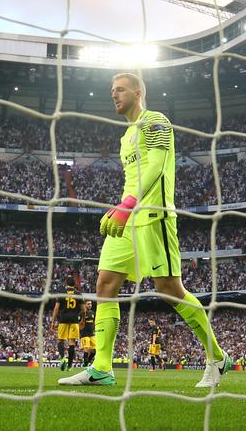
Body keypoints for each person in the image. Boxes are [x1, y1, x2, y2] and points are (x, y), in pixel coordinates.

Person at [60, 73, 229, 387]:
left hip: (155, 216)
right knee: (105, 284)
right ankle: (102, 367)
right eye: (111, 90)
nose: (114, 94)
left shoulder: (155, 122)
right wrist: (121, 206)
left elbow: (155, 166)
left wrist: (128, 205)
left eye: (120, 89)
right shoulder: (126, 137)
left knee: (169, 289)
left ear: (138, 93)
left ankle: (217, 357)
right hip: (129, 218)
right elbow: (133, 179)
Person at [50, 277, 82, 371]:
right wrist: (82, 319)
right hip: (74, 320)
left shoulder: (62, 294)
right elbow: (83, 309)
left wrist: (53, 322)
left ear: (66, 283)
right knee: (72, 343)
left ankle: (63, 358)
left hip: (63, 320)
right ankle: (70, 365)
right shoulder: (78, 294)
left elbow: (56, 309)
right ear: (74, 284)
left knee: (60, 340)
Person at [80, 301, 96, 367]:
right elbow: (79, 324)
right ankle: (85, 363)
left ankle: (87, 362)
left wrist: (94, 330)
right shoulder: (81, 313)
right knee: (86, 348)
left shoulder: (93, 313)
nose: (90, 305)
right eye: (88, 304)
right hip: (84, 334)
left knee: (94, 350)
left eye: (91, 304)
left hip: (92, 334)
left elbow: (94, 322)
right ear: (85, 305)